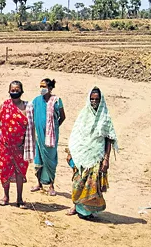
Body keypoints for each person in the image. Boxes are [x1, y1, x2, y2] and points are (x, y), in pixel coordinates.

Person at [66, 87, 118, 218]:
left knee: (92, 186)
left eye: (97, 99)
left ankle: (87, 211)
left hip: (96, 156)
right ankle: (76, 206)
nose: (94, 101)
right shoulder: (83, 115)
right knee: (78, 182)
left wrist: (106, 158)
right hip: (81, 155)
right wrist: (71, 152)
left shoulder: (105, 117)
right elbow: (76, 135)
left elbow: (108, 139)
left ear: (101, 101)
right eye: (92, 99)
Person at [0, 81, 33, 208]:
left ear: (22, 91)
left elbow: (31, 128)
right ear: (9, 90)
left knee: (20, 172)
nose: (14, 92)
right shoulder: (4, 105)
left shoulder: (27, 107)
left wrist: (26, 145)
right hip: (5, 145)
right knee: (4, 170)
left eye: (17, 90)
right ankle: (6, 196)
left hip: (20, 147)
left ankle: (19, 198)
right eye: (12, 90)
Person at [29, 78, 66, 196]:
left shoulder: (56, 101)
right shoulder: (36, 100)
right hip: (38, 135)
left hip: (51, 137)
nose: (42, 89)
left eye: (44, 86)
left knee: (50, 160)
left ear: (50, 88)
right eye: (40, 86)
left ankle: (51, 185)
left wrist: (54, 127)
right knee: (38, 158)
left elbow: (62, 116)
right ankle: (39, 183)